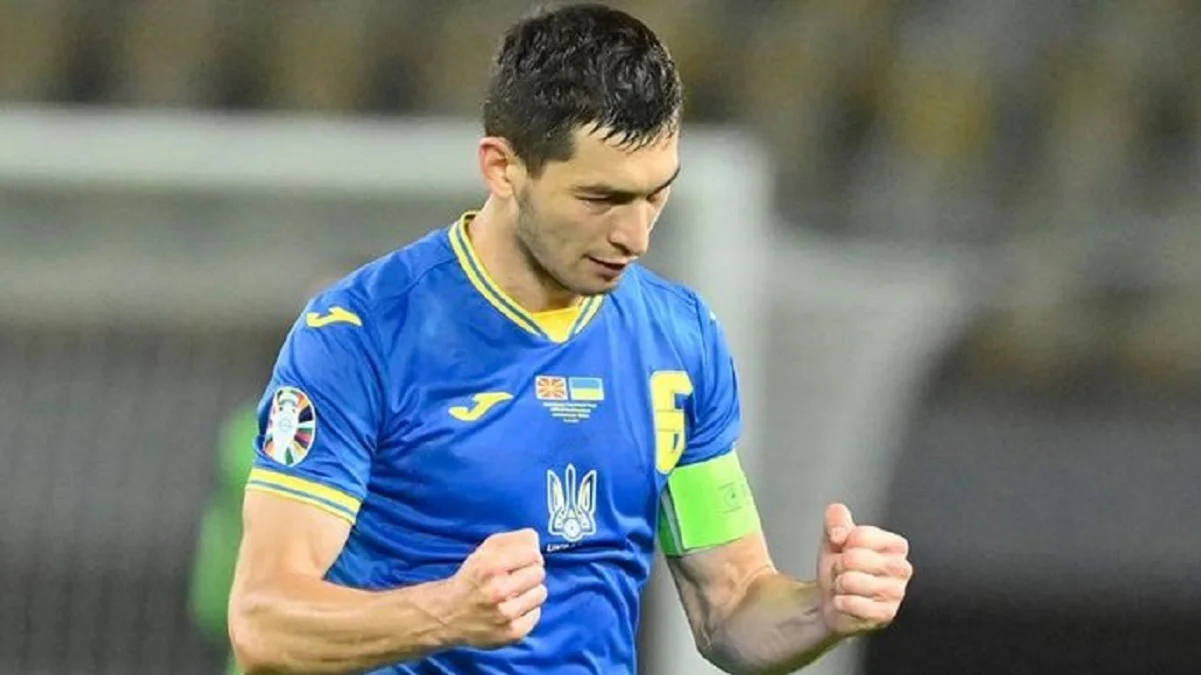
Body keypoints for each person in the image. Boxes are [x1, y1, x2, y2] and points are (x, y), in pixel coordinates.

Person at [227, 4, 913, 674]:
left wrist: (822, 610)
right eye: (600, 199)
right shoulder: (361, 335)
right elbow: (264, 622)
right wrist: (444, 615)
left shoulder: (678, 341)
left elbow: (730, 605)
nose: (635, 237)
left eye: (655, 195)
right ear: (502, 168)